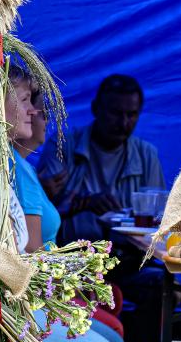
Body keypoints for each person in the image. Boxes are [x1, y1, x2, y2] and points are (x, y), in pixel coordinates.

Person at [6, 67, 124, 342]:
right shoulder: (14, 167)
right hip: (25, 298)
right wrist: (76, 272)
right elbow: (32, 252)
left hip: (34, 293)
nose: (35, 112)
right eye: (27, 100)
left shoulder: (19, 165)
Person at [37, 74, 165, 244]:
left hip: (130, 258)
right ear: (95, 109)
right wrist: (84, 203)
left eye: (132, 115)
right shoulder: (63, 146)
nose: (124, 123)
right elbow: (40, 211)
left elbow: (159, 218)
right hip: (72, 258)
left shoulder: (147, 155)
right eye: (115, 113)